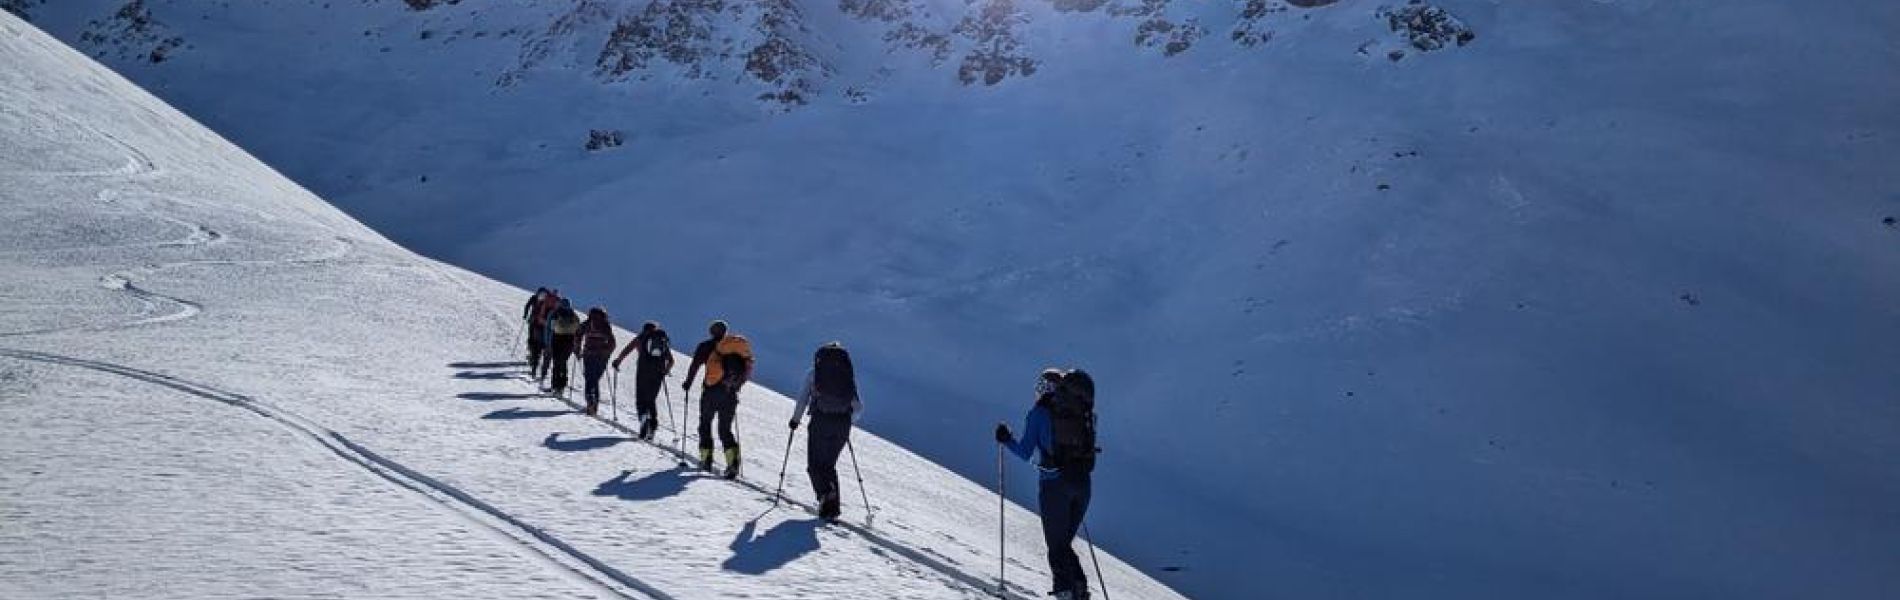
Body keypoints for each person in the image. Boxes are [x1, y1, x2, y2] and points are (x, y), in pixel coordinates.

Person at [996, 368, 1099, 600]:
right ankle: (1079, 591)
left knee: (1056, 547)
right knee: (1063, 544)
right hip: (1083, 484)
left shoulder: (1039, 413)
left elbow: (1024, 452)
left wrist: (1006, 439)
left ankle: (1066, 593)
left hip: (1055, 487)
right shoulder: (1082, 413)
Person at [789, 341, 862, 521]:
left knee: (814, 465)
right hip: (842, 425)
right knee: (829, 466)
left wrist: (795, 420)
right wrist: (846, 420)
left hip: (821, 421)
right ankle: (832, 509)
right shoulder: (847, 376)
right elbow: (858, 407)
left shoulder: (814, 374)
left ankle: (825, 495)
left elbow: (802, 399)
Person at [681, 320, 753, 478]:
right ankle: (732, 463)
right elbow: (746, 369)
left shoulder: (705, 347)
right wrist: (736, 386)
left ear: (711, 332)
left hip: (710, 392)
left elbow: (695, 366)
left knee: (705, 424)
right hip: (730, 394)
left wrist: (688, 383)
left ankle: (706, 460)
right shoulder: (736, 350)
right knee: (725, 429)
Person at [613, 321, 676, 440]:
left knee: (640, 398)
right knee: (651, 399)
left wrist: (618, 361)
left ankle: (643, 418)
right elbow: (672, 360)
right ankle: (652, 427)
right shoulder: (662, 340)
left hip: (643, 372)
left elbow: (627, 349)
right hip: (658, 373)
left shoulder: (641, 338)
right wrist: (665, 371)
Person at [576, 307, 617, 416]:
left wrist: (577, 349)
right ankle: (595, 406)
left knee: (590, 378)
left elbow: (578, 334)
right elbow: (612, 342)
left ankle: (590, 401)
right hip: (601, 357)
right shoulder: (606, 325)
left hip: (589, 354)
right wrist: (606, 353)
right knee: (595, 379)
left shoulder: (587, 323)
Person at [542, 298, 581, 398]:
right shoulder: (573, 314)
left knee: (556, 363)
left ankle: (555, 387)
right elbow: (578, 329)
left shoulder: (556, 312)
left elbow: (550, 327)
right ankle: (562, 387)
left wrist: (547, 342)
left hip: (557, 340)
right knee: (563, 363)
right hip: (569, 342)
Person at [524, 288, 555, 380]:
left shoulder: (536, 299)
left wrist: (526, 314)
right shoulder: (547, 304)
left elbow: (527, 306)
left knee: (533, 341)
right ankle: (534, 359)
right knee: (539, 345)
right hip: (544, 327)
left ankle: (533, 359)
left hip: (535, 324)